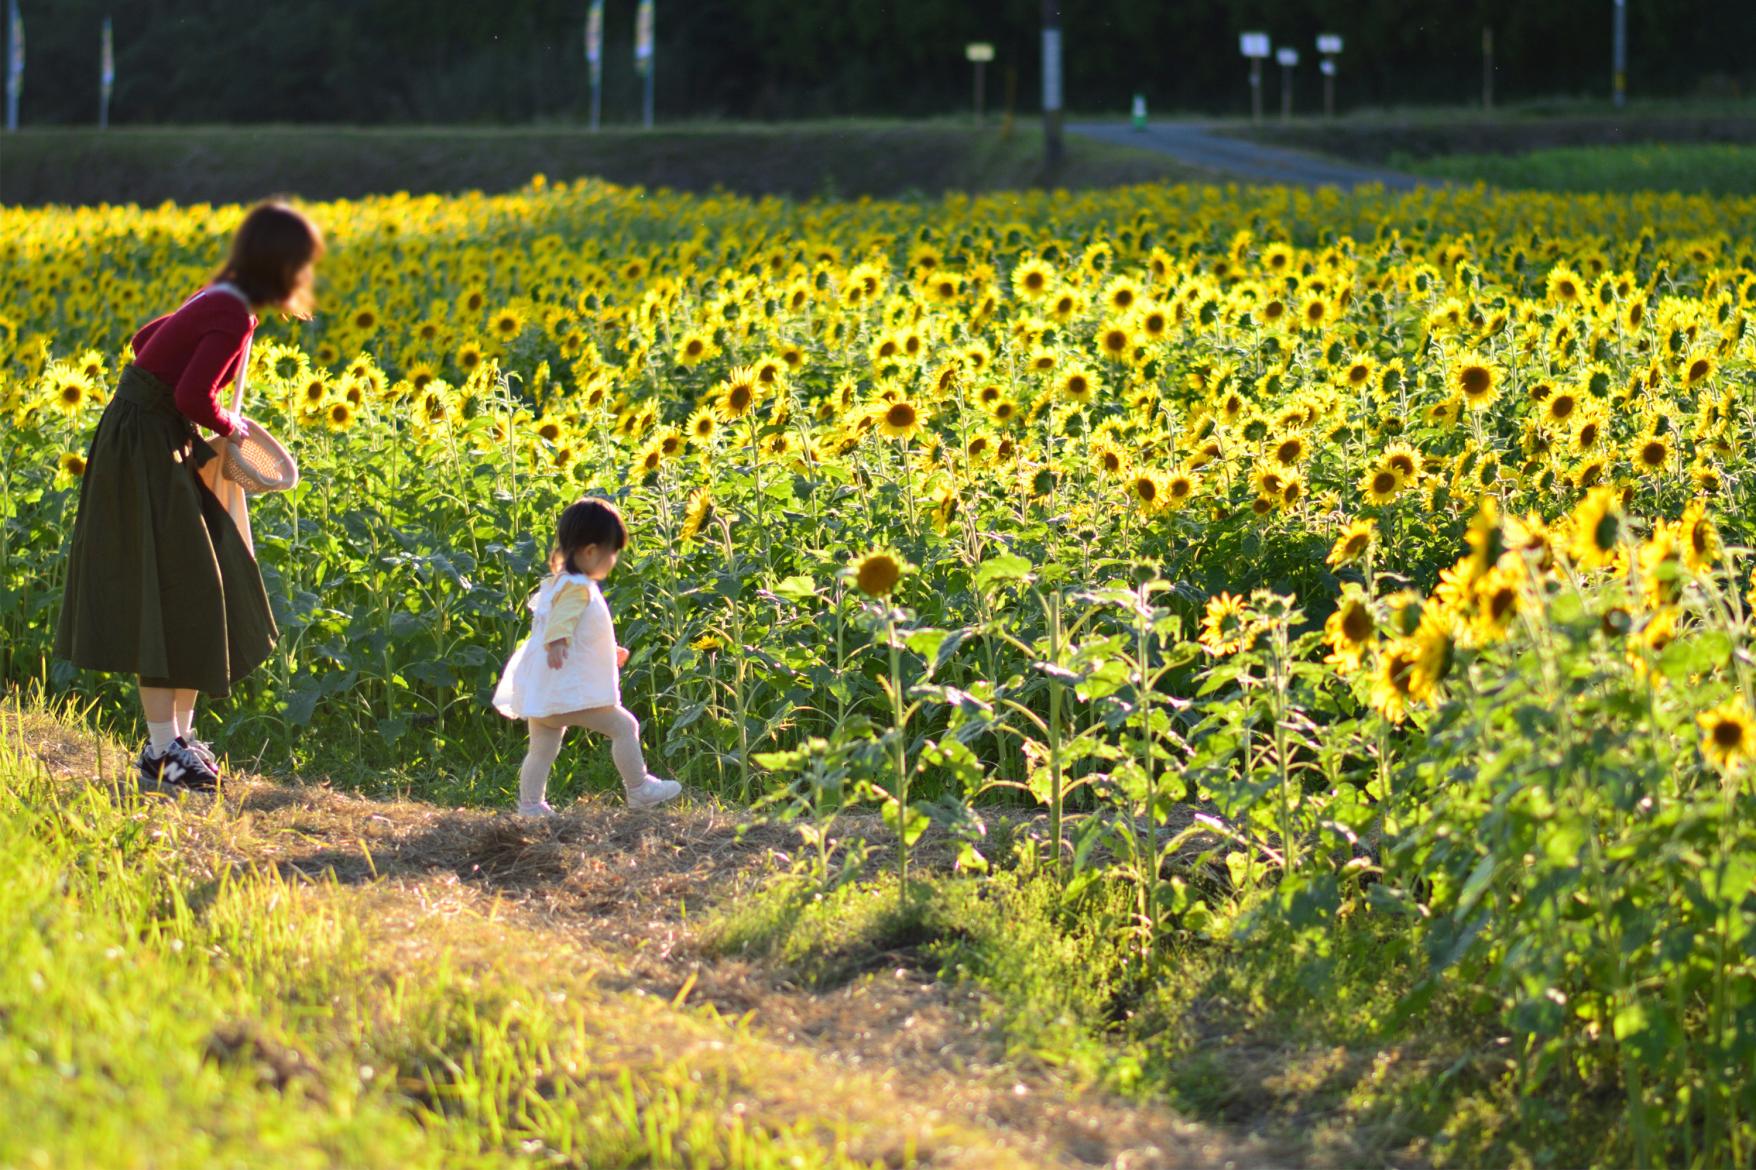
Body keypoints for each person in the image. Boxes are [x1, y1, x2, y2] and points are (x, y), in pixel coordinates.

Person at [55, 201, 325, 791]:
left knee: (200, 586)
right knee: (172, 588)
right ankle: (160, 753)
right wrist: (231, 426)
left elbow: (143, 339)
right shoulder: (232, 313)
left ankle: (176, 741)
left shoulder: (218, 298)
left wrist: (185, 365)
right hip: (147, 447)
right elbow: (191, 398)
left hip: (146, 439)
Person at [493, 497, 682, 816]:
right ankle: (638, 789)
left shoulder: (557, 583)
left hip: (543, 690)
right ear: (592, 551)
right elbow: (562, 621)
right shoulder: (578, 587)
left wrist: (609, 650)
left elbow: (579, 630)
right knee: (624, 727)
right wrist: (557, 642)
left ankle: (530, 806)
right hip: (571, 691)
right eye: (612, 553)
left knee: (541, 749)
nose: (613, 561)